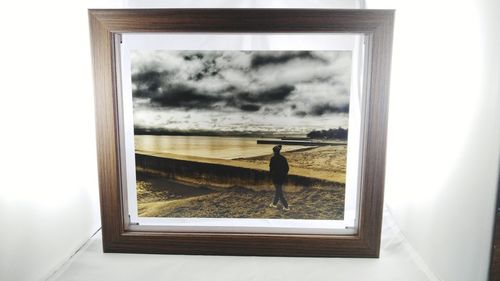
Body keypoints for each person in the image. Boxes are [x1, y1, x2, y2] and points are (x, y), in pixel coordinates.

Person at [269, 145, 290, 210]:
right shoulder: (283, 158)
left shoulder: (272, 159)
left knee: (279, 191)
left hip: (276, 177)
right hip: (282, 177)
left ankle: (286, 206)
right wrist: (284, 175)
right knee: (278, 190)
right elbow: (287, 168)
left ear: (274, 151)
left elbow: (271, 169)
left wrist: (272, 176)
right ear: (279, 151)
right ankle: (274, 204)